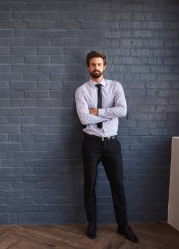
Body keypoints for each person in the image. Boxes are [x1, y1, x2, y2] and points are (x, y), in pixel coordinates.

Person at [75, 51, 139, 243]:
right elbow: (84, 118)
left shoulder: (115, 86)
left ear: (105, 67)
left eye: (99, 64)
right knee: (90, 184)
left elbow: (123, 110)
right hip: (91, 144)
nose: (96, 68)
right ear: (88, 67)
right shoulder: (81, 91)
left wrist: (99, 111)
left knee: (118, 185)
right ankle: (92, 223)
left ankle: (123, 225)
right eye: (93, 64)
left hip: (112, 144)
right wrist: (110, 114)